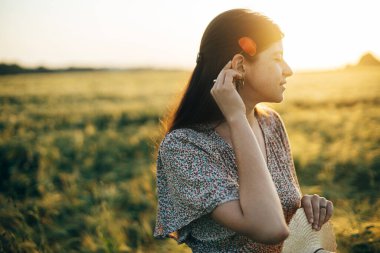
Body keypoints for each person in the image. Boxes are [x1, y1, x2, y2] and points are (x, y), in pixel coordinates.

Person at [153, 8, 334, 252]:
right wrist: (237, 118)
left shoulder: (271, 124)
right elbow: (270, 229)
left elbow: (279, 217)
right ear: (240, 64)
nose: (288, 69)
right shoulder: (184, 147)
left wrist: (302, 208)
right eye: (277, 58)